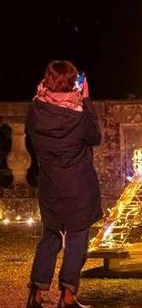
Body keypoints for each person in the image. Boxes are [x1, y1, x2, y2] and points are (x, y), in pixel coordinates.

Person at [25, 61, 101, 308]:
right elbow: (95, 137)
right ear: (72, 83)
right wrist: (86, 99)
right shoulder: (78, 115)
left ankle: (35, 293)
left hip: (50, 185)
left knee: (50, 237)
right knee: (77, 240)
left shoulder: (35, 109)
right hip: (79, 187)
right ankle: (67, 297)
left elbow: (30, 143)